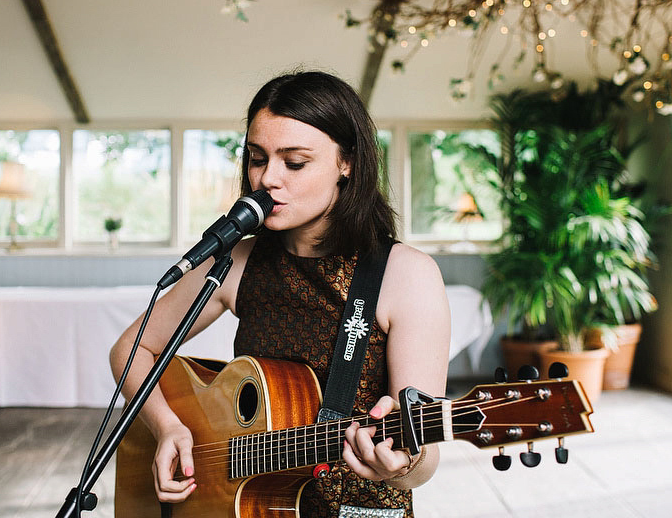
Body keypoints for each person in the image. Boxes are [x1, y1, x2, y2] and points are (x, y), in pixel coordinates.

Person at [110, 70, 451, 517]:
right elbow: (131, 350)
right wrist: (168, 427)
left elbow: (423, 463)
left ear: (346, 163)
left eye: (294, 162)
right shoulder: (236, 263)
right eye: (256, 158)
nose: (267, 178)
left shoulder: (406, 276)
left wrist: (401, 464)